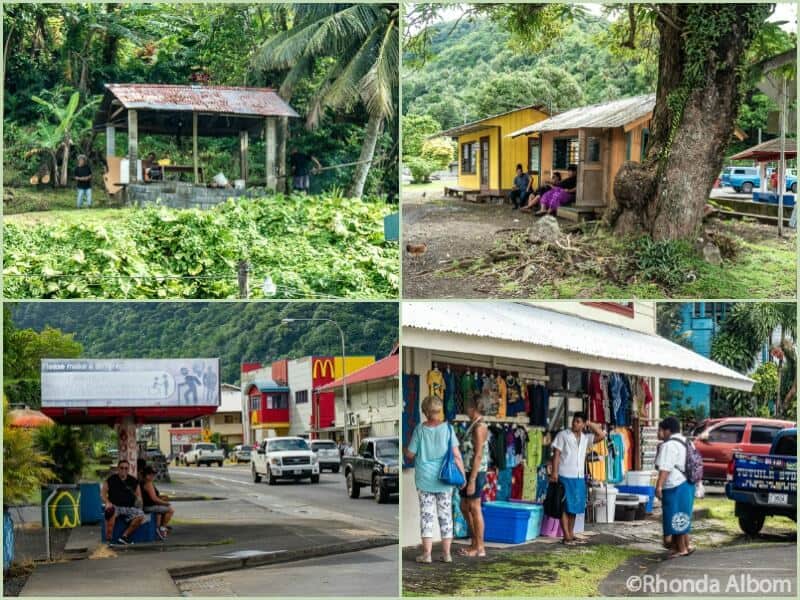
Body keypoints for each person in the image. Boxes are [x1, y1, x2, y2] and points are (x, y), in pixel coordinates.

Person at [405, 395, 465, 564]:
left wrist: (405, 450)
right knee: (445, 516)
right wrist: (463, 477)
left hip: (424, 479)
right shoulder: (448, 429)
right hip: (445, 479)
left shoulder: (419, 430)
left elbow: (410, 454)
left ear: (425, 412)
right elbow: (457, 456)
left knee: (427, 516)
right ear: (439, 411)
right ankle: (447, 554)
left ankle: (427, 554)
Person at [550, 411, 606, 545]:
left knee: (574, 507)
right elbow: (556, 454)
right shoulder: (563, 435)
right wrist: (554, 473)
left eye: (578, 422)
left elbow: (602, 435)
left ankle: (571, 533)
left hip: (579, 477)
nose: (574, 423)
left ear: (583, 424)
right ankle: (566, 536)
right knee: (565, 506)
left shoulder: (586, 438)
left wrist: (589, 423)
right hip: (565, 475)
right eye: (574, 421)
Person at [655, 416, 696, 558]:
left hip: (675, 485)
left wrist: (659, 486)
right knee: (682, 515)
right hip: (688, 483)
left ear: (667, 430)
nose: (659, 433)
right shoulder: (687, 442)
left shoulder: (669, 445)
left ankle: (681, 549)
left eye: (660, 430)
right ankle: (683, 546)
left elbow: (665, 468)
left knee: (674, 516)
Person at [459, 393, 490, 557]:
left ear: (474, 407)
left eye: (469, 405)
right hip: (468, 470)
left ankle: (480, 547)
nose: (466, 408)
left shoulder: (479, 427)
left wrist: (472, 480)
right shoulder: (474, 424)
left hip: (475, 472)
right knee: (464, 506)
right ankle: (475, 542)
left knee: (474, 507)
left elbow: (478, 455)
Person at [101, 460, 148, 545]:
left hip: (129, 507)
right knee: (110, 513)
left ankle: (124, 537)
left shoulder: (133, 480)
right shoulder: (111, 479)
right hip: (115, 506)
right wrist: (107, 502)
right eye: (121, 468)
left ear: (128, 469)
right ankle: (108, 541)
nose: (124, 470)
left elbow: (139, 497)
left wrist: (139, 505)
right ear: (118, 468)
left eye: (126, 468)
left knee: (141, 515)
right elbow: (103, 494)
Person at [140, 466, 174, 540]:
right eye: (151, 474)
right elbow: (154, 499)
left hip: (149, 505)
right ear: (147, 475)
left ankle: (158, 527)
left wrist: (162, 498)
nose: (153, 476)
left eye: (153, 474)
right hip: (148, 506)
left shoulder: (144, 482)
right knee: (170, 510)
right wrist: (165, 503)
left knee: (160, 511)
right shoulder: (148, 483)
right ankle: (162, 528)